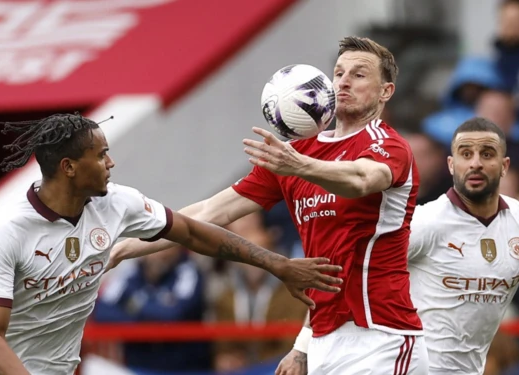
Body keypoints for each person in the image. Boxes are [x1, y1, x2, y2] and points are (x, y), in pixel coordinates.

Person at [110, 36, 427, 374]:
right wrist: (124, 248)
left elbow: (362, 179)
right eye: (338, 72)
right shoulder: (297, 154)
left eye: (360, 74)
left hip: (382, 336)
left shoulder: (388, 145)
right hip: (323, 338)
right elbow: (206, 214)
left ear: (385, 92)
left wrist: (300, 167)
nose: (344, 81)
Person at [0, 113, 343, 375]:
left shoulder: (118, 203)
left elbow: (194, 232)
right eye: (101, 154)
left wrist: (277, 265)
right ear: (68, 167)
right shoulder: (6, 233)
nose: (111, 163)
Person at [288, 117, 519, 374]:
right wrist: (303, 348)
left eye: (487, 154)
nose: (475, 163)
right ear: (451, 164)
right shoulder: (424, 222)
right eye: (465, 154)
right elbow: (341, 275)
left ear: (504, 166)